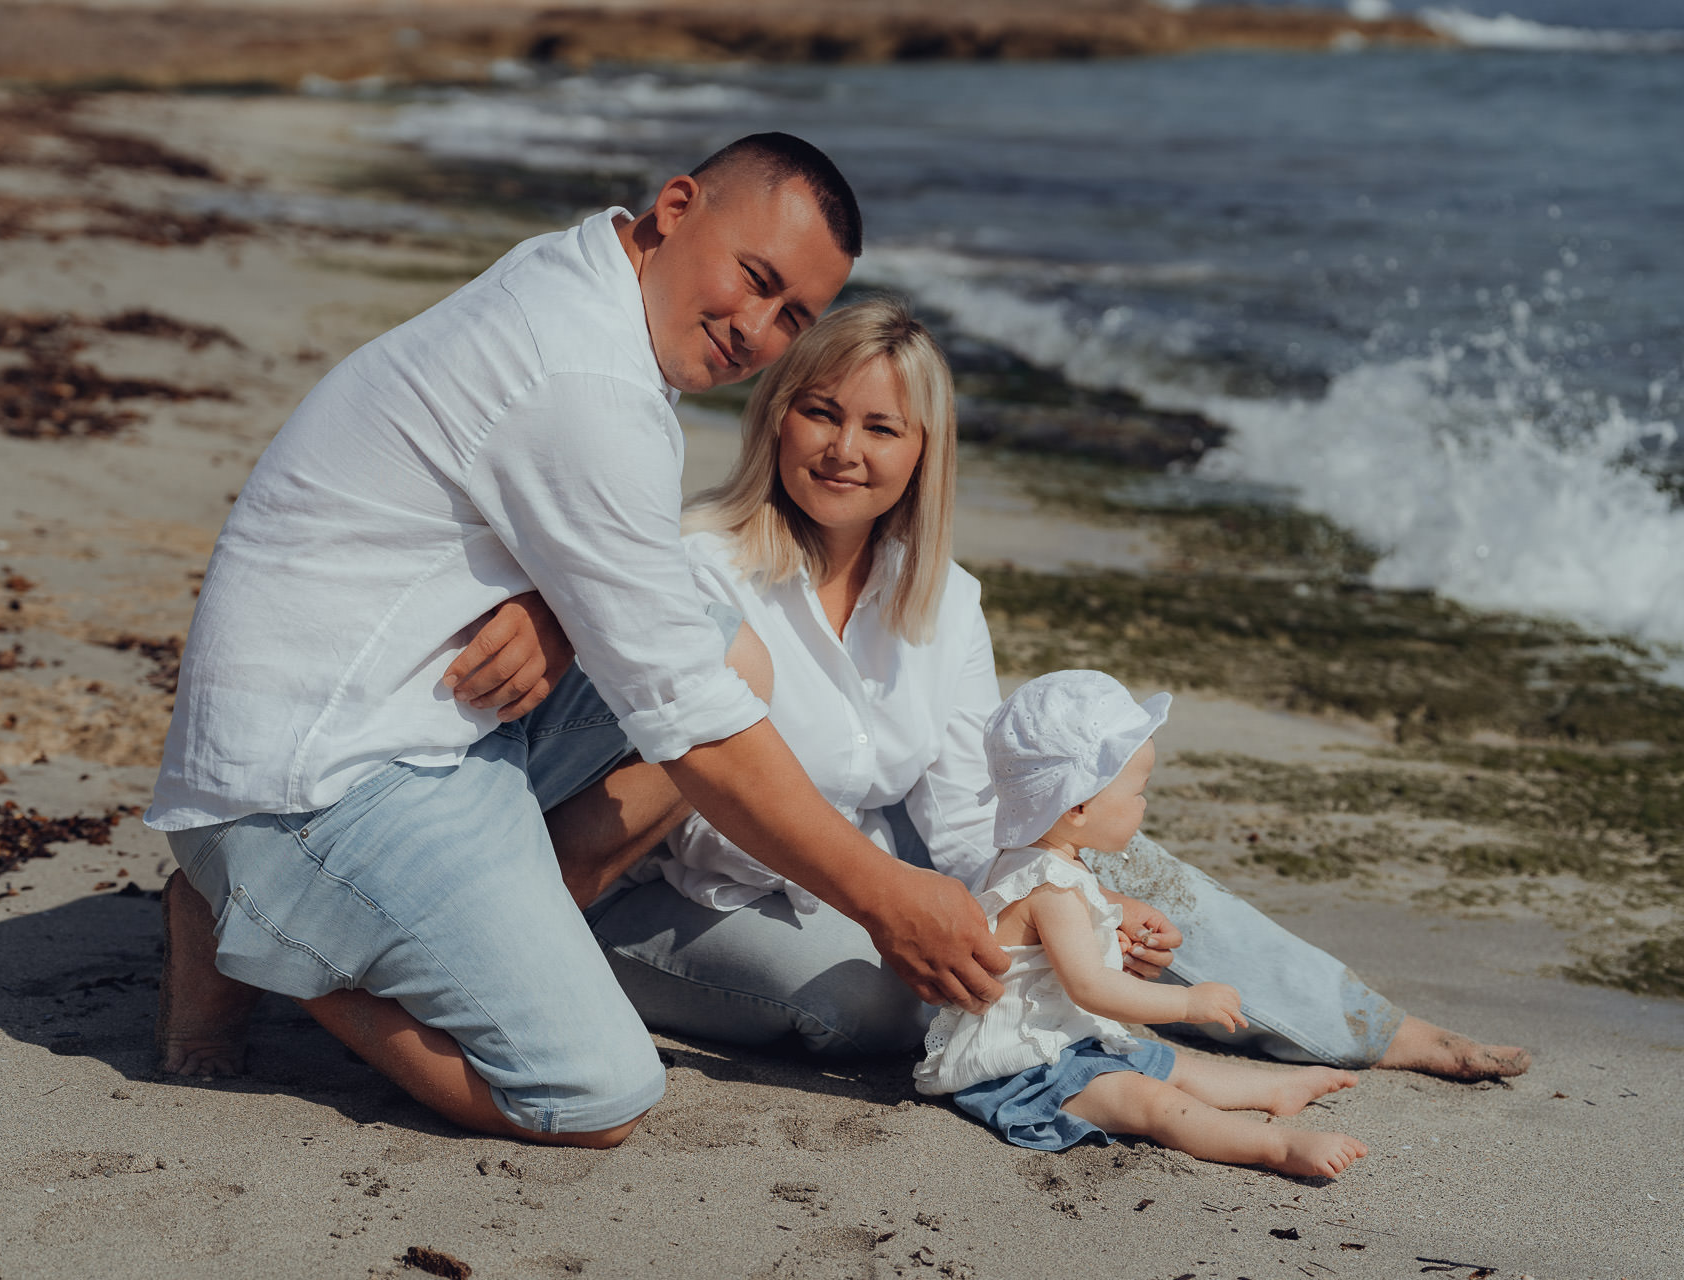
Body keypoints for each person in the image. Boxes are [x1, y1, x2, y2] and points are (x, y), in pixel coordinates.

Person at [145, 134, 1010, 1149]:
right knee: (594, 1094)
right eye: (754, 277)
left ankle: (472, 930)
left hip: (407, 709)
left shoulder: (583, 277)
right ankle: (262, 927)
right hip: (316, 782)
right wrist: (884, 898)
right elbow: (692, 719)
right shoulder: (586, 375)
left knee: (733, 651)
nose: (756, 329)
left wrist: (560, 609)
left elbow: (562, 522)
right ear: (676, 208)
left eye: (792, 316)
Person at [579, 296, 1530, 1081]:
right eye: (821, 413)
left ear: (923, 450)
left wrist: (1082, 904)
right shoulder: (699, 563)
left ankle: (1365, 1026)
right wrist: (908, 906)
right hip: (693, 892)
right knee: (888, 1003)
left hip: (873, 864)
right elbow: (696, 806)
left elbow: (972, 819)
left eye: (882, 427)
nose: (844, 450)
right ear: (778, 415)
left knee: (1108, 857)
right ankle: (1132, 1035)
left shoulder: (942, 600)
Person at [913, 670, 1369, 1179]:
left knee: (1168, 1064)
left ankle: (1275, 1089)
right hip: (1022, 1070)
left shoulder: (1040, 861)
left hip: (1063, 1039)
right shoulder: (1052, 887)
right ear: (1078, 806)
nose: (1144, 804)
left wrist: (1114, 917)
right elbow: (1091, 987)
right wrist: (1187, 1003)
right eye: (1137, 791)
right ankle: (1275, 1146)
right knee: (1150, 1101)